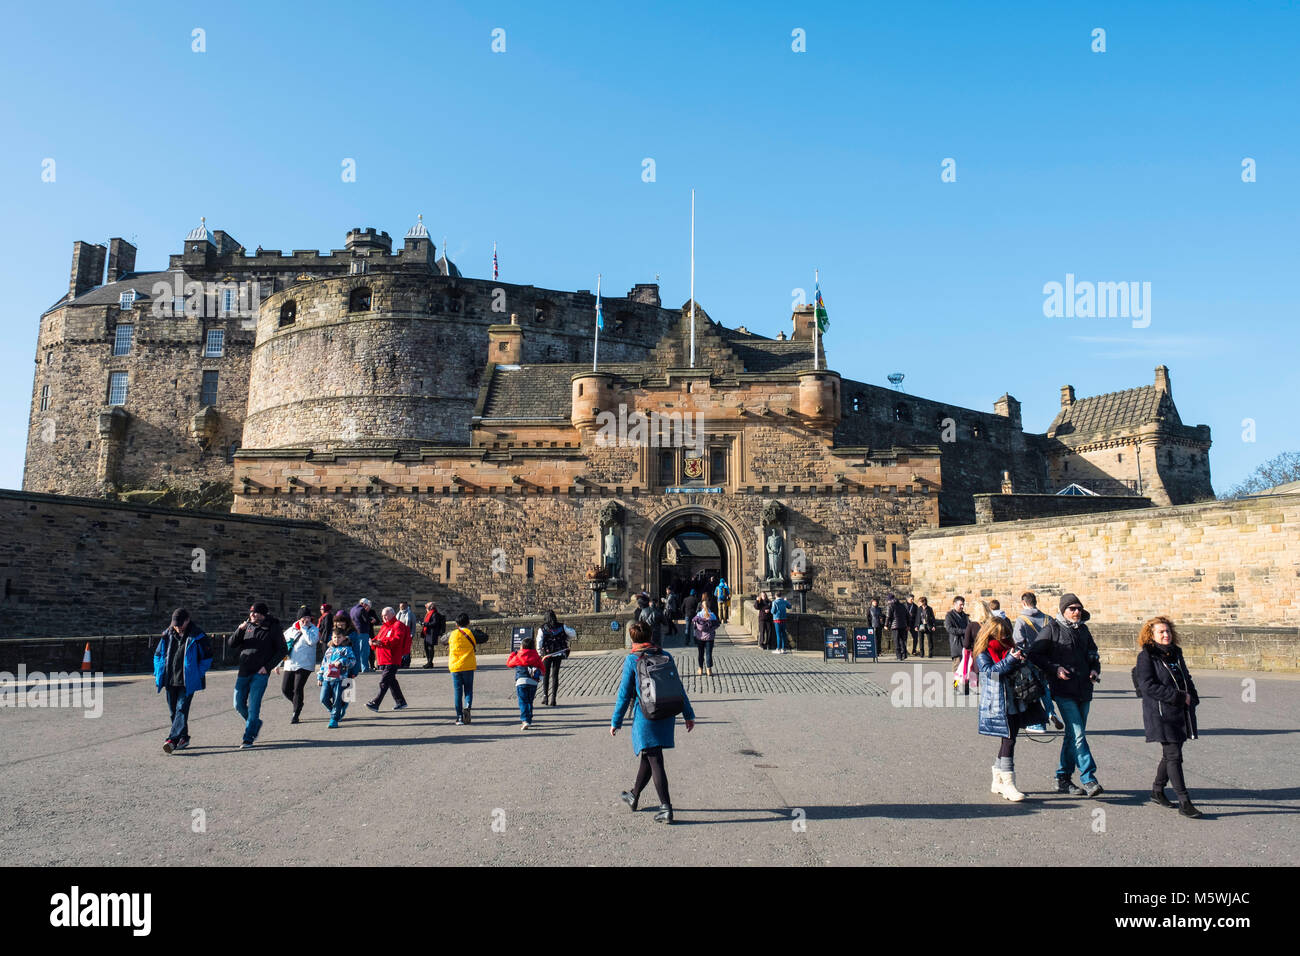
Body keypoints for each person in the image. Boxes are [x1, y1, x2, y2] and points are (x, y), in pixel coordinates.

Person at [611, 621, 697, 825]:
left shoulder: (632, 659)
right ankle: (633, 795)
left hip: (646, 716)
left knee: (654, 759)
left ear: (633, 640)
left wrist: (616, 721)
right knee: (649, 756)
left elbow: (624, 694)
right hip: (666, 713)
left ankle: (666, 807)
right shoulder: (665, 655)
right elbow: (678, 687)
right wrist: (688, 713)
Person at [1028, 592, 1103, 797]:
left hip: (1084, 689)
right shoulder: (1051, 629)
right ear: (1063, 610)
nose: (1076, 612)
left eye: (1079, 608)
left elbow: (1093, 654)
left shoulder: (1084, 630)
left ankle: (1062, 778)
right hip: (1063, 691)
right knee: (1078, 734)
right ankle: (1089, 778)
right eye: (1072, 608)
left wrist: (1095, 669)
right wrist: (1055, 668)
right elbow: (1034, 654)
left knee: (1072, 736)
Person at [1135, 617, 1202, 818]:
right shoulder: (1146, 656)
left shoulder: (1175, 653)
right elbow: (1147, 685)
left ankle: (1157, 790)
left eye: (1168, 631)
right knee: (1174, 756)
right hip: (1161, 713)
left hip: (1180, 711)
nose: (1166, 635)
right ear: (1151, 635)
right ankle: (1184, 801)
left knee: (1171, 754)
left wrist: (1193, 696)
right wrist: (1178, 697)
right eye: (1161, 632)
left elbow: (1185, 677)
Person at [976, 616, 1046, 802]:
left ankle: (997, 780)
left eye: (1007, 634)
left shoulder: (1010, 647)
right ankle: (1008, 785)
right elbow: (991, 672)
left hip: (1016, 699)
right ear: (990, 635)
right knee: (1008, 741)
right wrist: (1011, 660)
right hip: (998, 702)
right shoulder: (983, 652)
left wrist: (1020, 658)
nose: (1005, 638)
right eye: (1000, 635)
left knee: (1010, 739)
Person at [153, 608, 212, 754]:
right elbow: (158, 655)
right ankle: (183, 737)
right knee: (173, 711)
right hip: (170, 678)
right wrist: (158, 672)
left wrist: (197, 673)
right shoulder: (167, 634)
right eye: (175, 624)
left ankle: (172, 739)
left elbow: (207, 658)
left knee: (181, 709)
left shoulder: (198, 636)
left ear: (187, 620)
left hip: (188, 681)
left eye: (180, 623)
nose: (177, 626)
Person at [229, 602, 283, 749]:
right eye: (251, 612)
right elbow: (232, 643)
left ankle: (248, 738)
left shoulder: (273, 628)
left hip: (260, 673)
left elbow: (282, 650)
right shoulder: (248, 626)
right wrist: (240, 630)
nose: (252, 615)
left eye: (256, 613)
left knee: (253, 706)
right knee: (238, 704)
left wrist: (268, 667)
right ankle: (255, 724)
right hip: (244, 671)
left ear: (263, 615)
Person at [1012, 592, 1063, 733]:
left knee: (1032, 691)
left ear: (1023, 603)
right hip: (1047, 660)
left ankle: (1037, 721)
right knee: (1044, 688)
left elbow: (1018, 642)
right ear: (1035, 602)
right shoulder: (1048, 619)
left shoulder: (1022, 620)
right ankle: (1051, 712)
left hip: (1029, 660)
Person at [277, 605, 319, 725]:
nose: (306, 619)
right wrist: (278, 664)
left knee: (298, 688)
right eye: (303, 617)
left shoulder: (313, 629)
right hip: (290, 663)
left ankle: (296, 713)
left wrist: (304, 628)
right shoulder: (290, 630)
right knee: (285, 689)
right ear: (299, 618)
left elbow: (311, 642)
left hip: (305, 664)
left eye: (308, 617)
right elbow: (284, 648)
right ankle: (298, 703)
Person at [318, 613, 360, 728]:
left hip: (340, 677)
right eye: (335, 637)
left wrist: (343, 663)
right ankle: (335, 712)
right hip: (327, 677)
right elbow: (323, 663)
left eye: (342, 624)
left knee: (341, 697)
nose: (337, 639)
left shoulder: (348, 645)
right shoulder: (329, 649)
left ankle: (334, 718)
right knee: (323, 698)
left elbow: (354, 658)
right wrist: (320, 676)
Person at [366, 606, 411, 712]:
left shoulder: (398, 625)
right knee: (391, 681)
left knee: (384, 681)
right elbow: (378, 638)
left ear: (392, 614)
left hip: (392, 658)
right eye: (382, 615)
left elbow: (397, 640)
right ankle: (401, 702)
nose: (384, 617)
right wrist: (373, 642)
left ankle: (375, 703)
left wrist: (381, 643)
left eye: (385, 615)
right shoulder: (385, 626)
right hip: (384, 658)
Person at [506, 635, 545, 729]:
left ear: (522, 647)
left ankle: (525, 720)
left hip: (521, 681)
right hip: (533, 682)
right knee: (529, 701)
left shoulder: (518, 655)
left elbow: (509, 664)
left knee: (522, 701)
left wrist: (513, 654)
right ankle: (529, 719)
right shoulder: (536, 656)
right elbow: (543, 669)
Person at [447, 613, 478, 725]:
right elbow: (484, 637)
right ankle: (467, 706)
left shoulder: (452, 634)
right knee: (468, 689)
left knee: (458, 692)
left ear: (456, 624)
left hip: (455, 666)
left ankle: (459, 717)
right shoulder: (471, 633)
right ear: (468, 623)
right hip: (468, 665)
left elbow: (442, 640)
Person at [536, 610, 571, 706]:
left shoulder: (542, 628)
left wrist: (539, 653)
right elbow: (572, 633)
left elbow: (539, 641)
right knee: (555, 675)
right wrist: (567, 638)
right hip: (558, 653)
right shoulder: (561, 626)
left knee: (546, 675)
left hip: (547, 654)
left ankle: (545, 697)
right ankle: (553, 699)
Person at [962, 600, 992, 695]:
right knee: (992, 678)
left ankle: (974, 690)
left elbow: (966, 644)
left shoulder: (972, 625)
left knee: (976, 673)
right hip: (992, 654)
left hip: (977, 654)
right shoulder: (993, 624)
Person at [945, 596, 969, 691]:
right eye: (960, 604)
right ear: (955, 604)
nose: (962, 606)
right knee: (957, 667)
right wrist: (964, 631)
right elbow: (949, 629)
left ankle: (966, 687)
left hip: (966, 644)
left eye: (963, 604)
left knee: (967, 667)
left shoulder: (965, 616)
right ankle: (956, 686)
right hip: (956, 644)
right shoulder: (949, 615)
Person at [349, 598, 379, 673]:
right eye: (366, 605)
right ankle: (365, 668)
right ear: (364, 604)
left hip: (355, 632)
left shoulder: (352, 609)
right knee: (364, 652)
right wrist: (372, 620)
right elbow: (366, 620)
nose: (366, 607)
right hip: (363, 632)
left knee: (357, 651)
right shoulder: (362, 609)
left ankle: (357, 667)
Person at [420, 601, 446, 668]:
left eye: (428, 606)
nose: (426, 607)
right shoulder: (429, 613)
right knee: (426, 648)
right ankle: (428, 662)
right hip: (427, 633)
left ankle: (430, 662)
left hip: (432, 633)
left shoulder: (434, 613)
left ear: (431, 607)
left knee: (430, 648)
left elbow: (435, 623)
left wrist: (424, 624)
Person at [885, 593, 909, 660]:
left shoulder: (890, 605)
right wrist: (908, 625)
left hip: (895, 625)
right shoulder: (902, 605)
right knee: (902, 640)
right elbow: (907, 616)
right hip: (903, 625)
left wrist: (886, 625)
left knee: (896, 640)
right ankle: (904, 654)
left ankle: (899, 656)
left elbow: (888, 616)